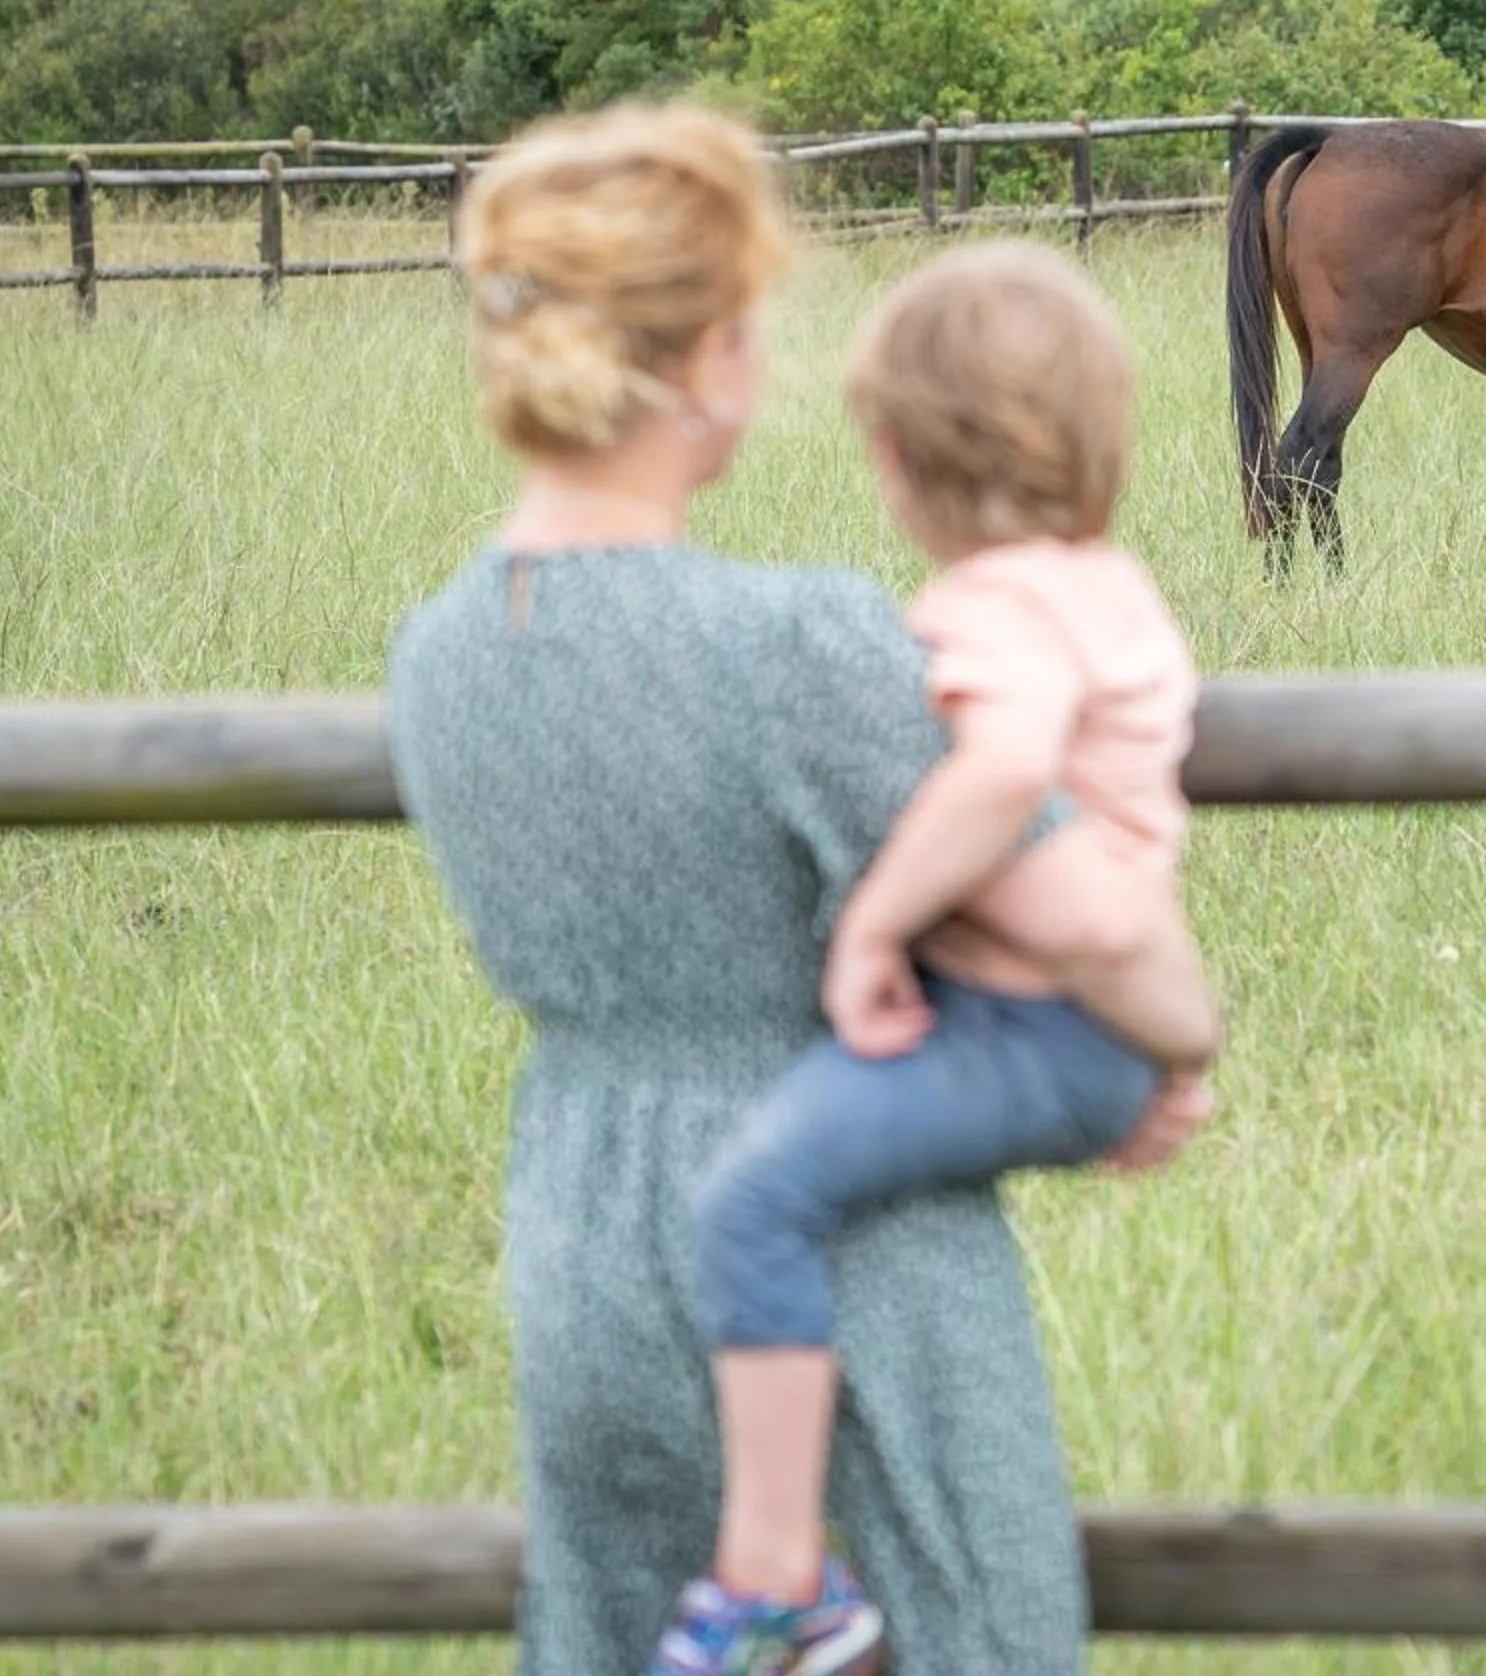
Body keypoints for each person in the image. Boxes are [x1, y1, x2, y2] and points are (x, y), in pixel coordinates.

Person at [383, 100, 1219, 1676]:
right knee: (979, 1631)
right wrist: (1182, 1033)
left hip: (579, 1232)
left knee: (631, 1635)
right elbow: (1081, 917)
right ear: (708, 362)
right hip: (854, 1250)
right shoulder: (800, 647)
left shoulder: (436, 657)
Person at [680, 241, 1211, 1674]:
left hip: (1023, 1025)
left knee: (752, 1196)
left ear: (900, 454)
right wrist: (1160, 1050)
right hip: (1089, 1025)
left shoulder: (995, 608)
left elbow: (1007, 771)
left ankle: (777, 1572)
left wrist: (870, 922)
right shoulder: (1113, 586)